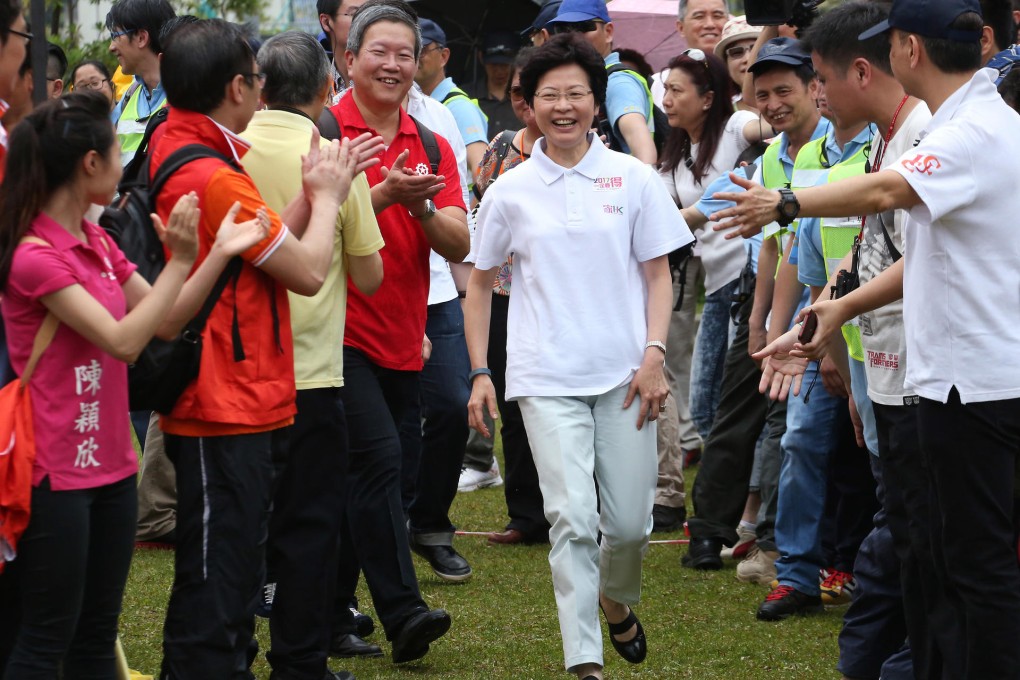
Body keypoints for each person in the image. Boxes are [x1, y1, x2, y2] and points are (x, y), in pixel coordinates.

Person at [713, 0, 1020, 673]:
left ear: (910, 50)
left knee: (978, 566)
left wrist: (784, 201)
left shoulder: (966, 131)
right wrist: (840, 307)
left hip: (976, 387)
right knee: (949, 560)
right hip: (952, 380)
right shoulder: (963, 121)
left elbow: (887, 194)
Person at [0, 90, 266, 679]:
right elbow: (123, 341)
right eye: (116, 148)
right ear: (89, 164)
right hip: (53, 477)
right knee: (45, 640)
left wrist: (214, 253)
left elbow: (166, 323)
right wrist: (178, 262)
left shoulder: (98, 242)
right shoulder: (34, 256)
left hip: (112, 471)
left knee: (95, 638)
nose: (125, 159)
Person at [151, 18, 377, 678]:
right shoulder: (214, 175)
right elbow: (307, 274)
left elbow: (272, 249)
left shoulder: (198, 147)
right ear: (236, 88)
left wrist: (314, 195)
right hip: (224, 394)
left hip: (240, 391)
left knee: (225, 565)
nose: (259, 87)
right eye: (252, 76)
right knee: (218, 579)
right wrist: (332, 195)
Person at [465, 33, 693, 680]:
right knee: (570, 518)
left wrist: (653, 355)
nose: (563, 107)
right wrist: (481, 371)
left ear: (597, 102)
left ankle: (615, 604)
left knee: (627, 525)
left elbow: (658, 275)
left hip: (627, 376)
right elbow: (479, 282)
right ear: (527, 106)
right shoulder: (510, 190)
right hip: (544, 377)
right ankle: (584, 660)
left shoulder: (634, 178)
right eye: (549, 96)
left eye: (576, 95)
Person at [322, 0, 469, 663]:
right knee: (378, 462)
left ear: (419, 64)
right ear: (348, 59)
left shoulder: (432, 141)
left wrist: (422, 205)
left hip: (406, 333)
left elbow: (459, 242)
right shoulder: (324, 131)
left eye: (403, 54)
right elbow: (306, 233)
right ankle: (404, 613)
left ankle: (327, 616)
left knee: (384, 477)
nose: (392, 64)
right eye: (376, 51)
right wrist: (379, 197)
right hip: (335, 334)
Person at [241, 30, 384, 680]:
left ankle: (229, 648)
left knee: (239, 525)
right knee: (308, 522)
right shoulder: (330, 158)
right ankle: (299, 661)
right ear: (329, 89)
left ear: (259, 85)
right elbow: (370, 274)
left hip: (237, 373)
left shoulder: (229, 152)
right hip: (314, 375)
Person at [465, 47, 550, 546]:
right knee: (511, 401)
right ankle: (525, 515)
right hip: (500, 293)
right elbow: (476, 211)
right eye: (516, 90)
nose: (522, 100)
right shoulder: (500, 148)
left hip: (555, 293)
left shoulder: (592, 150)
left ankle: (578, 509)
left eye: (529, 91)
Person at [547, 0, 658, 164]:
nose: (574, 36)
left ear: (608, 32)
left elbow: (641, 144)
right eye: (563, 29)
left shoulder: (617, 81)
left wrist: (643, 184)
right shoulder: (586, 79)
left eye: (583, 27)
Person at [414, 18, 489, 180]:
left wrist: (474, 205)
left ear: (443, 56)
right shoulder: (415, 103)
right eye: (409, 50)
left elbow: (483, 172)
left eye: (422, 50)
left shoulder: (458, 107)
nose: (414, 57)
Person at [106, 0, 176, 166]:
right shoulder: (129, 97)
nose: (111, 47)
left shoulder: (188, 95)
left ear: (141, 38)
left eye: (115, 36)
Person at [466, 31, 520, 140]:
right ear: (481, 57)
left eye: (505, 65)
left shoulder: (525, 99)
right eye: (493, 65)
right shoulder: (465, 97)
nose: (499, 71)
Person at [713, 16, 762, 111]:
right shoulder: (722, 115)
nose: (747, 59)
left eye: (756, 49)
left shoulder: (796, 101)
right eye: (736, 52)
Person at [317, 0, 359, 104]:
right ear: (326, 22)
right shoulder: (311, 84)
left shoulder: (386, 80)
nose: (367, 21)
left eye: (371, 13)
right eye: (355, 14)